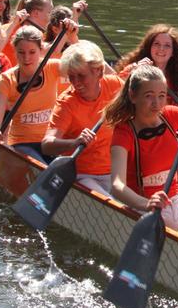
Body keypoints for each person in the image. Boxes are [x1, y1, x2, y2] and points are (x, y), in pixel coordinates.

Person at [105, 65, 178, 246]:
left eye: (161, 96)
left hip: (177, 203)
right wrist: (147, 203)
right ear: (133, 96)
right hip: (147, 210)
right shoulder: (124, 133)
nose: (157, 104)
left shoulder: (171, 115)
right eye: (149, 96)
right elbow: (117, 185)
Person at [0, 23, 77, 164]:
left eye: (32, 52)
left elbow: (82, 68)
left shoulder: (52, 67)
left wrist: (72, 38)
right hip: (22, 144)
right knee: (46, 169)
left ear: (41, 50)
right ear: (14, 51)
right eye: (21, 52)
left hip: (50, 141)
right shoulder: (6, 80)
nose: (26, 58)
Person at [41, 41, 123, 197]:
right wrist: (74, 142)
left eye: (81, 76)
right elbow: (46, 145)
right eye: (72, 77)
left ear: (98, 72)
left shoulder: (115, 86)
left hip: (116, 170)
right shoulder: (67, 103)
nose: (76, 83)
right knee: (115, 205)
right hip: (82, 175)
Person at [116, 25, 178, 105]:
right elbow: (115, 87)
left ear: (173, 52)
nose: (161, 48)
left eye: (167, 45)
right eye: (157, 44)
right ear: (149, 47)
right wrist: (134, 72)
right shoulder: (134, 68)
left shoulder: (177, 80)